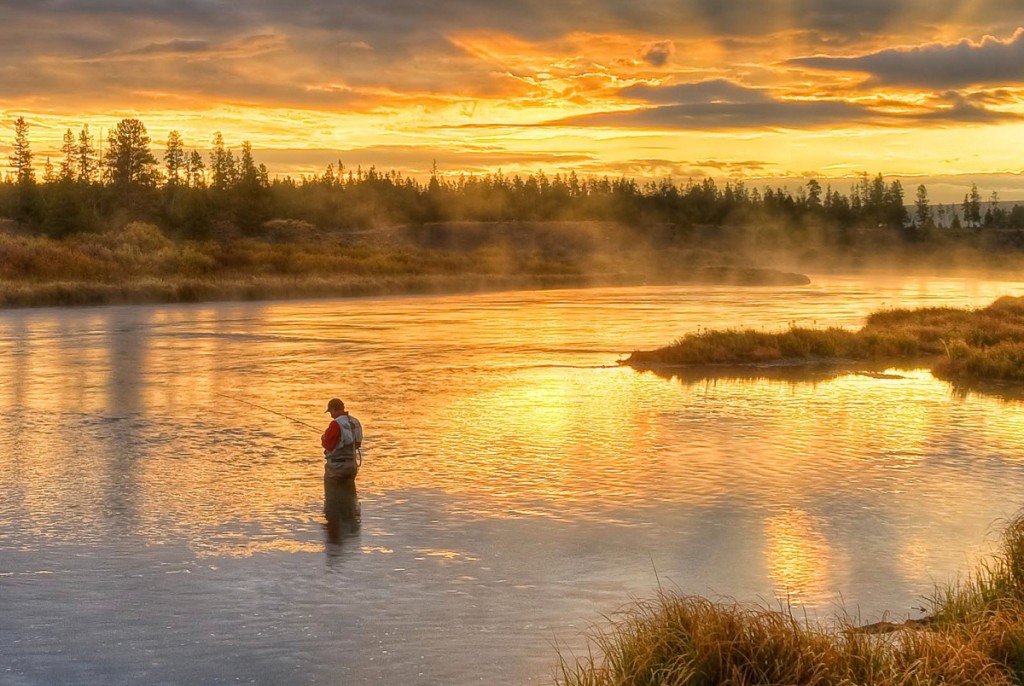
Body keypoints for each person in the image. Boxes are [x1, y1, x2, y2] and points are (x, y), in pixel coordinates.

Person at [322, 398, 363, 479]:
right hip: (352, 465)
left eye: (330, 412)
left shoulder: (336, 423)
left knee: (332, 487)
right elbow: (358, 443)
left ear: (333, 409)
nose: (331, 415)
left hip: (337, 466)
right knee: (349, 487)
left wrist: (323, 437)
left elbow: (328, 446)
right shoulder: (355, 421)